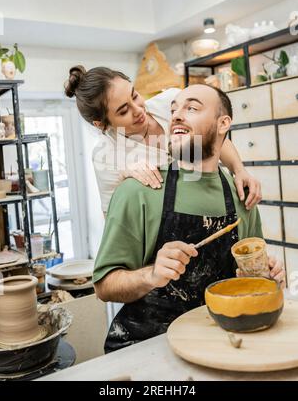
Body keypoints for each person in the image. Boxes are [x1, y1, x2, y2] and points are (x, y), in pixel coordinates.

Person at [93, 84, 285, 353]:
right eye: (173, 109)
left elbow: (255, 278)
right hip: (148, 348)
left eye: (192, 108)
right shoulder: (136, 190)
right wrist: (151, 274)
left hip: (223, 343)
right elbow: (104, 286)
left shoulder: (242, 191)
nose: (176, 116)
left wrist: (268, 278)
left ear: (223, 124)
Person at [64, 66, 262, 213]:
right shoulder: (106, 156)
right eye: (124, 110)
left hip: (215, 199)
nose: (139, 110)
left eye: (135, 95)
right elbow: (113, 217)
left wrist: (239, 170)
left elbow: (212, 135)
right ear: (102, 124)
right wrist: (124, 179)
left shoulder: (172, 102)